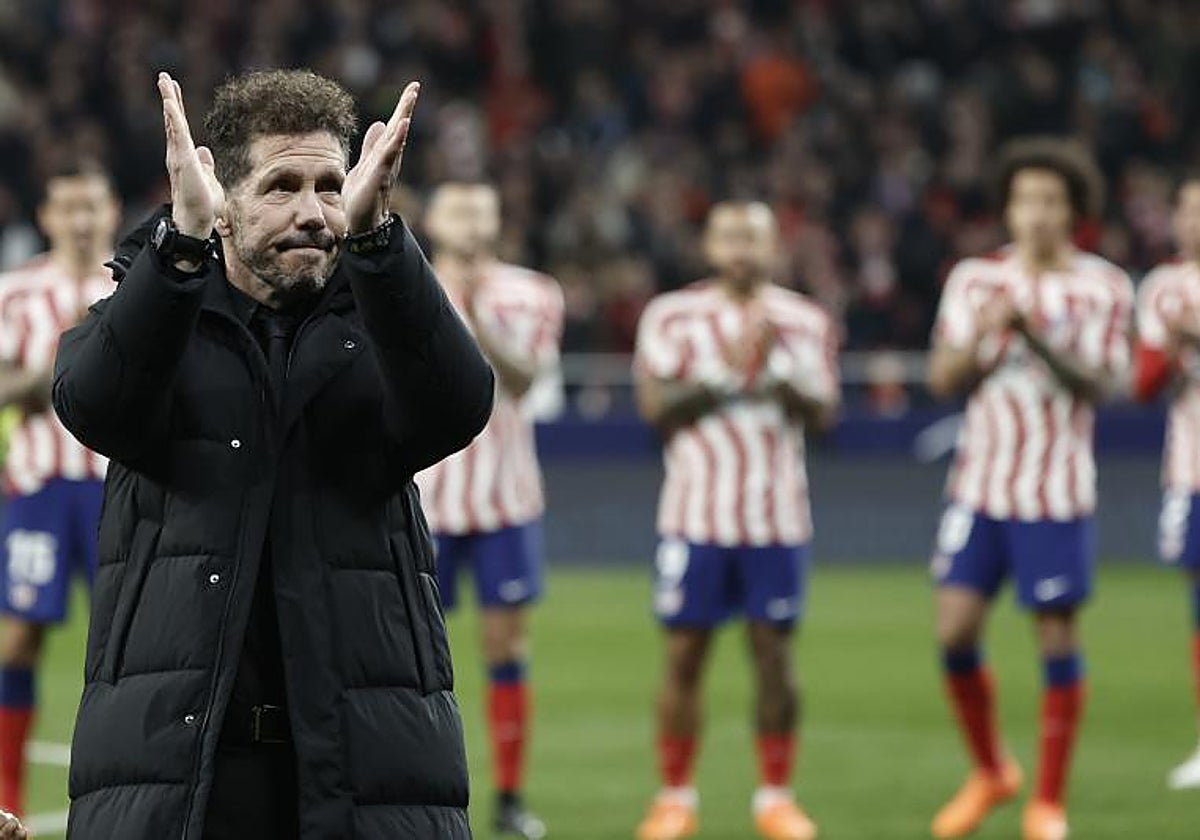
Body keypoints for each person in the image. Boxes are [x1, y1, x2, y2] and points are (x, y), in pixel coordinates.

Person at [51, 69, 493, 838]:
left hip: (364, 769)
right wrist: (178, 251)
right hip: (184, 774)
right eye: (282, 186)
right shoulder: (153, 309)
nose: (313, 213)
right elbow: (94, 404)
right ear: (223, 202)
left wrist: (382, 243)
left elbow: (457, 406)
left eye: (329, 185)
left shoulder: (378, 317)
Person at [926, 138, 1133, 840]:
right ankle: (991, 770)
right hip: (980, 485)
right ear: (1008, 210)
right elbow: (943, 379)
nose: (1036, 214)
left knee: (1054, 636)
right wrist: (986, 338)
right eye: (1024, 201)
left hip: (1056, 488)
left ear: (1075, 211)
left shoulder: (1103, 286)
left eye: (1050, 201)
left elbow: (1106, 385)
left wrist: (1036, 339)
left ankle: (1048, 802)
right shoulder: (974, 281)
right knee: (953, 630)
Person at [632, 201, 840, 840]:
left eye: (753, 236)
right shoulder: (673, 315)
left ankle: (775, 796)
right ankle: (675, 797)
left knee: (774, 655)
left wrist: (775, 368)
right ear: (709, 245)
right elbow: (655, 407)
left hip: (775, 517)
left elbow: (825, 415)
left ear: (775, 245)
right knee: (685, 655)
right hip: (695, 516)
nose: (741, 248)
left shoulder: (803, 320)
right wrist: (727, 372)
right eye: (729, 235)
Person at [416, 182, 562, 839]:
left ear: (500, 218)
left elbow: (527, 379)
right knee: (416, 656)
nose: (471, 221)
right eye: (458, 210)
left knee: (506, 647)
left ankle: (508, 793)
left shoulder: (531, 293)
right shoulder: (403, 281)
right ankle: (420, 783)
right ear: (434, 221)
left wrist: (479, 313)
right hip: (426, 500)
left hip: (505, 499)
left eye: (482, 209)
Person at [0, 161, 117, 817]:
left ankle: (120, 792)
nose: (80, 221)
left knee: (124, 645)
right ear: (46, 218)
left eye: (91, 207)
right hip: (39, 486)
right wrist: (63, 355)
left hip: (114, 488)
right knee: (17, 639)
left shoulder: (133, 283)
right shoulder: (15, 293)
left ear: (109, 213)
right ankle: (5, 795)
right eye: (68, 207)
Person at [1132, 175, 1200, 790]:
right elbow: (1144, 383)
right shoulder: (1162, 289)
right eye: (1185, 211)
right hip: (1193, 468)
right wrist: (1173, 354)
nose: (1191, 222)